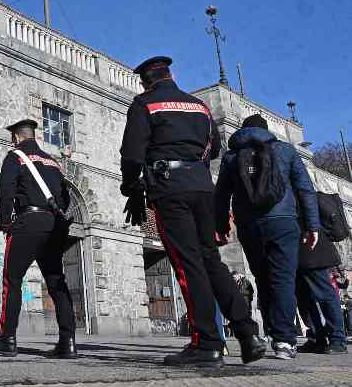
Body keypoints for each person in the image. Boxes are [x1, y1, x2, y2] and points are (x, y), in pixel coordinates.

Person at [120, 56, 265, 367]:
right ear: (171, 75)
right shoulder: (198, 106)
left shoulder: (144, 104)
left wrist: (132, 188)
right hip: (202, 188)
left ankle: (207, 343)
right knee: (211, 260)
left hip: (170, 188)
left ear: (145, 80)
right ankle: (247, 333)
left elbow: (131, 153)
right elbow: (213, 149)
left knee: (188, 265)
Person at [215, 114, 320, 360]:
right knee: (283, 279)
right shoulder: (285, 151)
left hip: (249, 225)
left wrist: (221, 224)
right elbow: (305, 189)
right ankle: (284, 340)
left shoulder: (232, 156)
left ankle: (272, 333)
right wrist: (312, 225)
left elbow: (221, 194)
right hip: (283, 222)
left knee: (262, 278)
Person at [0, 119, 77, 358]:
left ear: (17, 138)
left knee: (12, 280)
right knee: (56, 282)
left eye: (13, 138)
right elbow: (65, 198)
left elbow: (5, 188)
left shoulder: (15, 156)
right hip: (53, 224)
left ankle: (7, 339)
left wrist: (5, 222)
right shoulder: (53, 162)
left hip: (28, 223)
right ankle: (68, 342)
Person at [296, 218, 348, 354]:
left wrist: (312, 228)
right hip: (295, 245)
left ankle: (337, 339)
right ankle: (316, 337)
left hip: (310, 242)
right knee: (303, 296)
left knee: (324, 293)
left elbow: (310, 205)